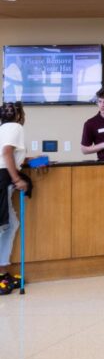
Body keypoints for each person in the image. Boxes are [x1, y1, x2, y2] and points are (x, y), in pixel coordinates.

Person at [0, 102, 28, 273]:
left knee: (11, 224)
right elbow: (7, 152)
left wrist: (31, 160)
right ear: (18, 115)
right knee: (5, 226)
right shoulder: (15, 127)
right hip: (3, 178)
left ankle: (2, 270)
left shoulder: (3, 128)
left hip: (3, 177)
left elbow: (10, 154)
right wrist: (17, 180)